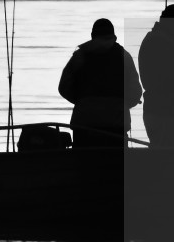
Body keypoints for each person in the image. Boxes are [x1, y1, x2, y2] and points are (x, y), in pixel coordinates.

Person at [58, 18, 142, 148]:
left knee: (84, 166)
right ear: (114, 36)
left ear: (92, 36)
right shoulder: (124, 56)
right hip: (116, 124)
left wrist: (83, 101)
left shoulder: (80, 55)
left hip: (84, 123)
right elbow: (136, 92)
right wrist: (122, 104)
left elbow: (64, 87)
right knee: (115, 166)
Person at [138, 4, 174, 147]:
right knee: (167, 158)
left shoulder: (157, 40)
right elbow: (173, 77)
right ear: (172, 23)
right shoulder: (161, 42)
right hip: (164, 113)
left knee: (165, 156)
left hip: (161, 110)